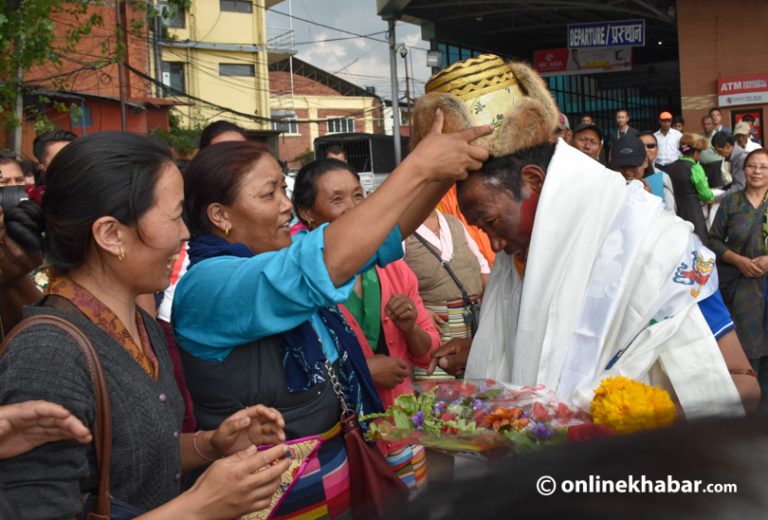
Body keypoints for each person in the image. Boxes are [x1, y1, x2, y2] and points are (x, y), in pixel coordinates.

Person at [172, 116, 491, 517]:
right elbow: (325, 262)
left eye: (282, 191)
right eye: (269, 194)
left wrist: (442, 173)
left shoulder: (275, 256)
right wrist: (417, 168)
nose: (286, 205)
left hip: (333, 477)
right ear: (219, 215)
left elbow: (381, 234)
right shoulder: (209, 284)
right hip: (270, 498)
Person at [409, 54, 758, 415]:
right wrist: (483, 354)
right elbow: (538, 350)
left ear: (534, 181)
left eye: (491, 221)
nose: (494, 244)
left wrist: (612, 415)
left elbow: (739, 385)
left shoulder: (659, 250)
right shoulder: (518, 259)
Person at [0, 132, 293, 518]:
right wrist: (199, 507)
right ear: (110, 234)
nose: (185, 232)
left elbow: (125, 459)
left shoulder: (138, 323)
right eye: (174, 216)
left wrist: (210, 444)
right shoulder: (49, 355)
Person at [292, 158, 441, 493]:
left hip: (401, 427)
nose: (352, 208)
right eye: (337, 199)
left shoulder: (393, 268)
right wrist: (362, 372)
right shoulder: (299, 284)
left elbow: (427, 352)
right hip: (343, 442)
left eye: (358, 196)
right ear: (307, 212)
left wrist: (410, 327)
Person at [709, 149, 768, 400]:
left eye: (763, 167)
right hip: (742, 289)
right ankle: (753, 404)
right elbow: (713, 240)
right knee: (749, 344)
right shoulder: (731, 203)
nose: (757, 172)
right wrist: (739, 260)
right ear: (743, 170)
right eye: (752, 166)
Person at [404, 207, 489, 342]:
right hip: (436, 333)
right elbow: (391, 284)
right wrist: (420, 313)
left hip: (475, 327)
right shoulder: (403, 231)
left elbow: (483, 268)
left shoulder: (455, 223)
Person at [664, 133, 714, 242]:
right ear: (696, 152)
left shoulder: (670, 167)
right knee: (698, 241)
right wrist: (711, 197)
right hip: (693, 210)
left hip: (675, 210)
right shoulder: (695, 168)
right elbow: (706, 194)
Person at [638, 131, 676, 212]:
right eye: (641, 146)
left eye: (650, 146)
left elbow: (670, 210)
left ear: (657, 150)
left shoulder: (663, 176)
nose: (646, 149)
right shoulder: (628, 175)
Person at [713, 131, 747, 198]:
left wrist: (718, 199)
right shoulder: (736, 158)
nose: (719, 154)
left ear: (728, 146)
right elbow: (736, 182)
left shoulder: (742, 159)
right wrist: (720, 188)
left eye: (719, 151)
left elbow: (739, 187)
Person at [700, 115, 724, 189]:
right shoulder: (700, 137)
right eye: (704, 124)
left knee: (718, 190)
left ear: (713, 125)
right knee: (705, 189)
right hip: (703, 168)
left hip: (716, 168)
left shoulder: (719, 136)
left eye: (708, 124)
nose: (706, 126)